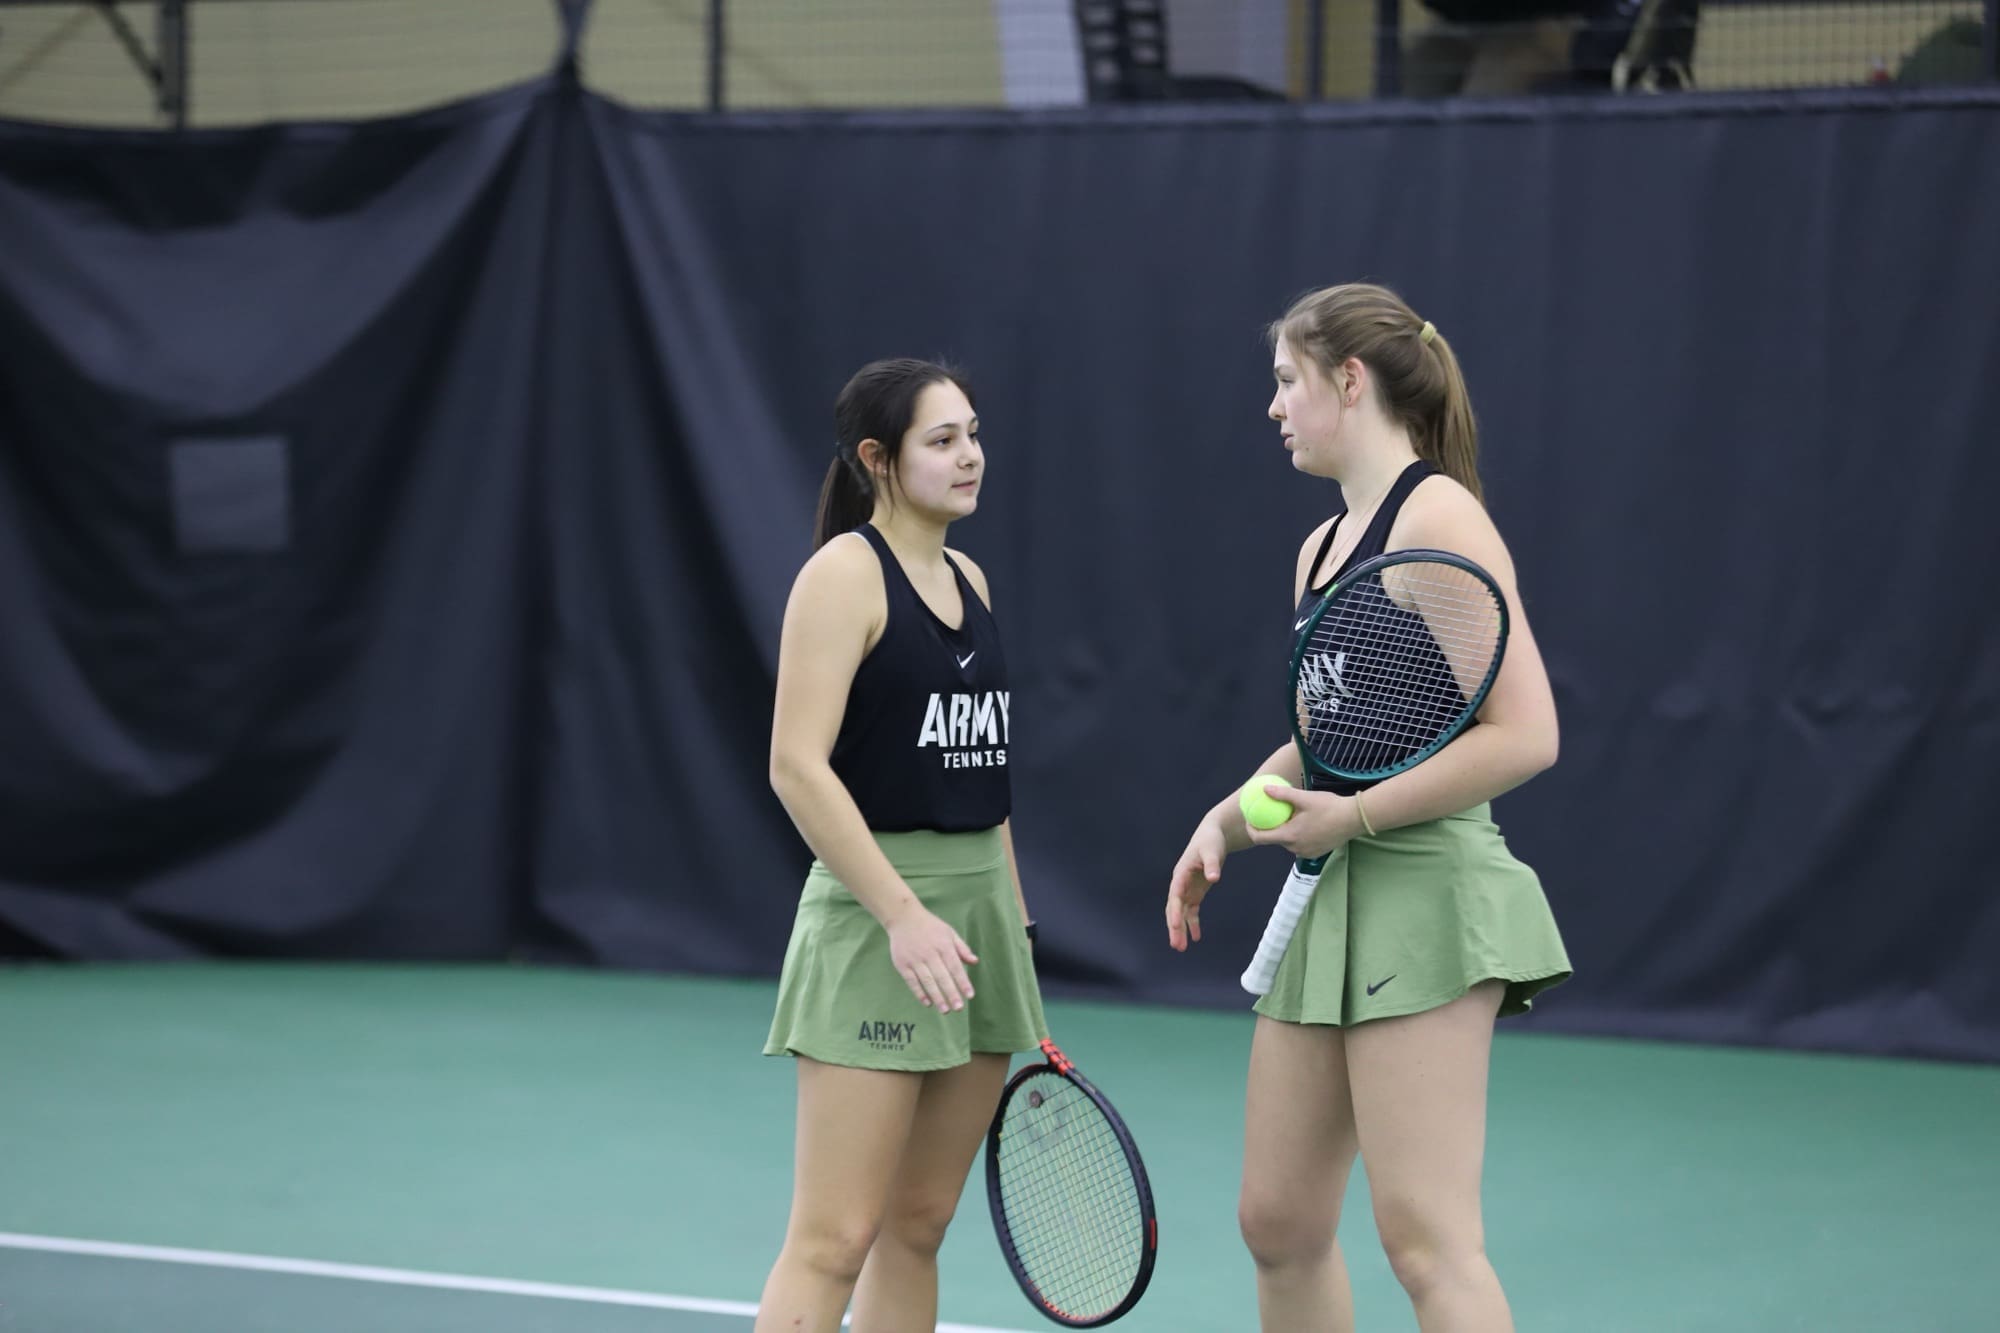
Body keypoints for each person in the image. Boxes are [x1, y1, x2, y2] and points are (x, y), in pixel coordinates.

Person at [1165, 283, 1572, 1333]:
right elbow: (1327, 744)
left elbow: (1526, 734)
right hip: (1331, 895)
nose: (1273, 407)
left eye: (1285, 381)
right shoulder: (1318, 549)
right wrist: (1225, 820)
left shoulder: (1439, 518)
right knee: (1278, 1220)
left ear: (1349, 382)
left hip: (1427, 889)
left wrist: (1352, 819)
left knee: (1425, 1241)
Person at [754, 358, 1048, 1333]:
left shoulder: (970, 578)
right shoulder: (842, 577)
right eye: (942, 440)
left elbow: (983, 774)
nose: (970, 456)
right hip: (880, 918)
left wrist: (1014, 923)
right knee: (834, 1237)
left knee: (917, 1224)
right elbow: (796, 767)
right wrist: (902, 914)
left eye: (973, 434)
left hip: (977, 924)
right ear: (877, 458)